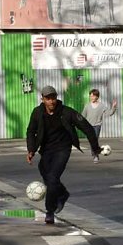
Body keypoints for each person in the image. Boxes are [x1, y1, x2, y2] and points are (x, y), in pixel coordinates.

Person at [25, 86, 100, 224]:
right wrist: (31, 150)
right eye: (48, 98)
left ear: (56, 97)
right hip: (46, 150)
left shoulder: (66, 112)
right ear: (43, 99)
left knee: (53, 177)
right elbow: (31, 131)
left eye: (53, 98)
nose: (51, 101)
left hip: (63, 149)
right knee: (46, 174)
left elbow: (87, 127)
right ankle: (63, 193)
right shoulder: (37, 112)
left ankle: (50, 211)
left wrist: (95, 148)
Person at [81, 89, 117, 164]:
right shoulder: (87, 105)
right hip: (88, 126)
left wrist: (113, 107)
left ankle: (95, 155)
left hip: (97, 125)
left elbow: (109, 113)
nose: (91, 97)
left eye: (92, 96)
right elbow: (83, 116)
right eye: (90, 96)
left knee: (95, 140)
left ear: (97, 97)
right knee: (92, 141)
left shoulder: (101, 106)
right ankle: (95, 154)